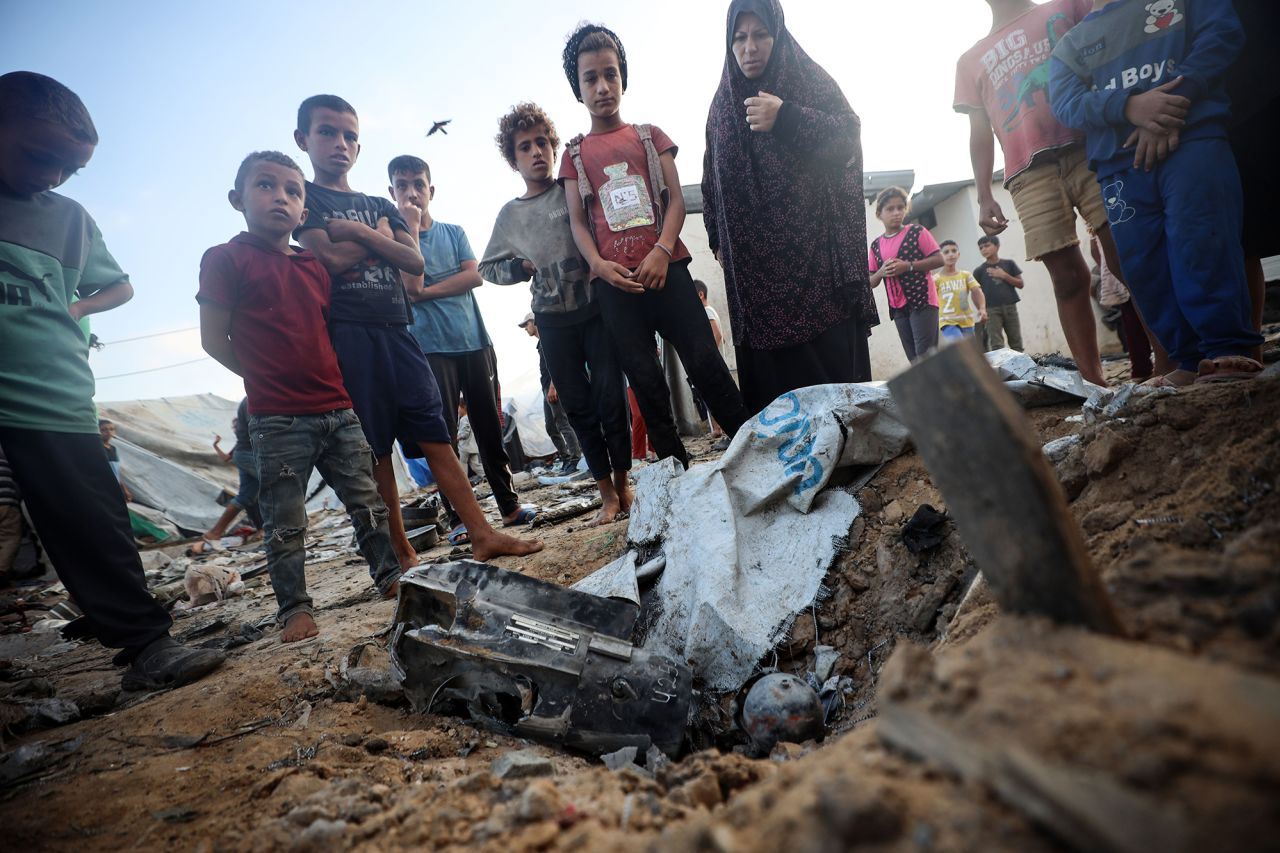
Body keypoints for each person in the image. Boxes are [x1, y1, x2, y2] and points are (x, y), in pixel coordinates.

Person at [0, 71, 225, 688]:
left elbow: (116, 283)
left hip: (54, 394)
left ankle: (146, 645)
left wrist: (72, 311)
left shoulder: (68, 219)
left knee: (93, 523)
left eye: (70, 169)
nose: (53, 176)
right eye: (40, 157)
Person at [290, 95, 541, 564]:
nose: (339, 144)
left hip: (400, 330)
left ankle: (482, 533)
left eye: (349, 136)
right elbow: (330, 260)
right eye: (327, 132)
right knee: (377, 445)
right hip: (350, 333)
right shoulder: (306, 200)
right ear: (303, 139)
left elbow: (413, 262)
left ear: (359, 148)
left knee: (436, 434)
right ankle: (402, 551)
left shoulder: (372, 204)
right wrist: (383, 238)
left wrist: (364, 234)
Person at [198, 151, 410, 642]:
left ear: (303, 211)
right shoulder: (226, 259)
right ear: (238, 199)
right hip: (277, 419)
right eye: (266, 186)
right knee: (285, 519)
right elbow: (214, 340)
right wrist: (267, 378)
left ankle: (390, 577)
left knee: (368, 502)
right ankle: (294, 607)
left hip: (337, 409)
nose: (282, 197)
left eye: (293, 191)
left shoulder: (313, 265)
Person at [560, 23, 748, 469]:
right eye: (591, 78)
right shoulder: (574, 154)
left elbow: (676, 201)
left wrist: (663, 249)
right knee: (644, 380)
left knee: (705, 362)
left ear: (623, 76)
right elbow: (578, 222)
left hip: (668, 270)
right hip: (617, 286)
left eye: (611, 73)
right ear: (577, 87)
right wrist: (600, 267)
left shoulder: (650, 136)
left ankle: (752, 449)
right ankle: (675, 471)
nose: (603, 87)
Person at [1048, 0, 1263, 384]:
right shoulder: (1069, 46)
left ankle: (1227, 348)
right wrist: (1129, 106)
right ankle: (1189, 359)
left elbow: (1222, 34)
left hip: (1194, 141)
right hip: (1119, 167)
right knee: (1144, 265)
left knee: (1202, 240)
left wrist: (1172, 105)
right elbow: (1065, 104)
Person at [702, 0, 879, 414]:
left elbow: (847, 139)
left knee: (836, 400)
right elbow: (711, 182)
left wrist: (786, 116)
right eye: (739, 38)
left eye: (760, 34)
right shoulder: (720, 110)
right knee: (780, 411)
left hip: (817, 271)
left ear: (777, 35)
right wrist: (715, 238)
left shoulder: (806, 82)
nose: (750, 47)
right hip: (757, 284)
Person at [955, 0, 1114, 386]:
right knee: (1066, 277)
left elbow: (1107, 56)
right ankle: (1093, 384)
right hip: (1028, 173)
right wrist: (983, 194)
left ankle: (1167, 363)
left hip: (1091, 145)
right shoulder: (970, 60)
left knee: (1129, 254)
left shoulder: (1068, 7)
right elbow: (980, 133)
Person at [388, 155, 538, 540]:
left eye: (418, 184)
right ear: (391, 193)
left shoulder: (453, 232)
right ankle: (458, 520)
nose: (412, 192)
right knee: (444, 435)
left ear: (431, 190)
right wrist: (408, 229)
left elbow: (473, 276)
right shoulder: (393, 243)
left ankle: (508, 505)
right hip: (429, 350)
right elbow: (408, 285)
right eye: (402, 186)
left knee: (489, 427)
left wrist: (426, 291)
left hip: (474, 341)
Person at [869, 187, 945, 363]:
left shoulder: (916, 232)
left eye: (900, 207)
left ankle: (936, 390)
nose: (896, 212)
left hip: (923, 301)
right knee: (914, 359)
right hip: (897, 308)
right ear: (879, 214)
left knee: (925, 355)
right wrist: (881, 272)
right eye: (890, 209)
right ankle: (924, 391)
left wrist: (909, 266)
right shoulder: (875, 246)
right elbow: (871, 282)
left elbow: (939, 259)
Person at [190, 398, 261, 556]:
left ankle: (214, 533)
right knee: (281, 482)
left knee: (246, 496)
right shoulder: (253, 399)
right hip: (250, 455)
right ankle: (281, 527)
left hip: (243, 456)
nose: (235, 428)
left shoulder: (239, 443)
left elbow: (228, 458)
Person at [517, 314, 583, 475]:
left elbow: (558, 364)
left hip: (554, 387)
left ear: (534, 322)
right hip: (547, 387)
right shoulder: (541, 343)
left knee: (562, 423)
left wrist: (554, 387)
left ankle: (574, 459)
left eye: (527, 324)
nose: (526, 328)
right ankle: (566, 457)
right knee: (551, 426)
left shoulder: (548, 339)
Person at [1089, 237, 1152, 381]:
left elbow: (1094, 248)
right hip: (1125, 266)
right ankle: (1145, 366)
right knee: (1133, 310)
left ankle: (1141, 368)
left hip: (1116, 269)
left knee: (1129, 312)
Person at [973, 235, 1024, 351]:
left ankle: (1022, 368)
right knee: (997, 345)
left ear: (997, 246)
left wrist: (1004, 275)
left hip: (1010, 306)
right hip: (991, 310)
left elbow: (1020, 284)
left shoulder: (1009, 264)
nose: (984, 249)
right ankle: (1002, 369)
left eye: (987, 245)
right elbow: (975, 292)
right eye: (981, 248)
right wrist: (982, 310)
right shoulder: (979, 271)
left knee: (1016, 343)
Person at [692, 279, 726, 441]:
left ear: (700, 294)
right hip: (714, 360)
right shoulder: (710, 310)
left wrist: (708, 356)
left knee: (715, 395)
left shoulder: (706, 311)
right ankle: (717, 428)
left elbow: (717, 335)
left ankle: (721, 429)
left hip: (712, 361)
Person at [934, 240, 988, 342]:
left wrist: (982, 308)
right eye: (946, 252)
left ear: (958, 255)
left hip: (967, 320)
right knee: (960, 347)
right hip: (947, 322)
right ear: (940, 256)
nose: (951, 254)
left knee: (971, 352)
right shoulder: (936, 279)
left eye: (954, 251)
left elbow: (976, 291)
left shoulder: (965, 275)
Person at [99, 418, 133, 502]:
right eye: (104, 430)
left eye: (111, 429)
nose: (108, 432)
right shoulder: (97, 448)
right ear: (98, 431)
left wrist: (125, 490)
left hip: (113, 487)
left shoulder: (113, 449)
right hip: (102, 487)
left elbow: (116, 472)